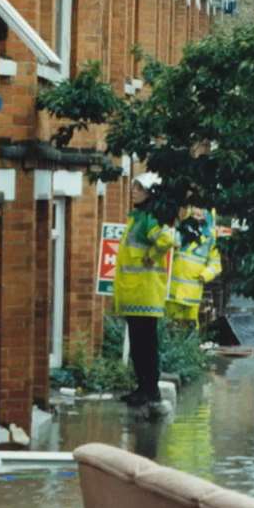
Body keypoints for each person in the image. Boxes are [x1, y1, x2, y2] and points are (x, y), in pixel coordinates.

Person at [114, 172, 179, 406]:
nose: (133, 191)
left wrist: (152, 256)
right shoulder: (139, 216)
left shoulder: (149, 217)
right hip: (137, 292)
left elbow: (166, 239)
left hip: (144, 292)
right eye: (134, 187)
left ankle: (149, 390)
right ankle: (143, 388)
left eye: (139, 188)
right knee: (140, 344)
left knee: (145, 345)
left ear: (151, 192)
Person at [167, 206, 223, 326]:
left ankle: (189, 344)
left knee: (190, 325)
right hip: (172, 289)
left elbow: (215, 263)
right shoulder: (179, 231)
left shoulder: (209, 239)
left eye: (200, 214)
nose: (196, 217)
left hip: (192, 291)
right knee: (170, 324)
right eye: (193, 214)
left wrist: (205, 275)